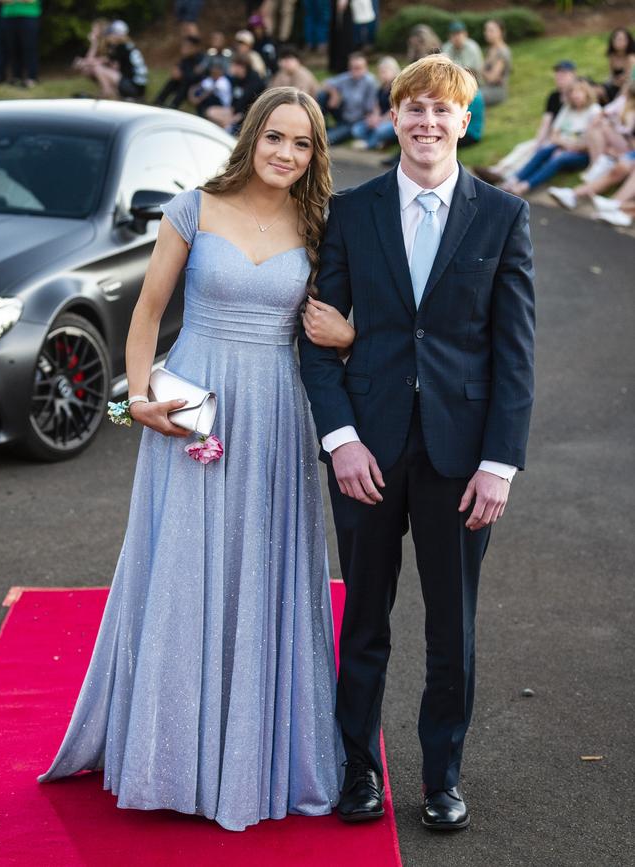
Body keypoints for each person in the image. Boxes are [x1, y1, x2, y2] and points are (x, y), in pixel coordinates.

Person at [37, 86, 355, 831]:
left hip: (275, 413)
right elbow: (146, 313)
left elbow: (341, 324)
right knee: (180, 568)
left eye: (302, 144)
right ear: (252, 137)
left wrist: (348, 336)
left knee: (260, 569)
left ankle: (251, 754)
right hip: (192, 412)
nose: (286, 153)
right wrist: (135, 400)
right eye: (275, 137)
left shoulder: (319, 225)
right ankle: (168, 756)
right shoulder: (193, 206)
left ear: (315, 155)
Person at [299, 54, 535, 830]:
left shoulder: (502, 216)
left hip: (461, 459)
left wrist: (499, 463)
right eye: (414, 109)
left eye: (443, 110)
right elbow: (315, 337)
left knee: (450, 627)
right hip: (365, 451)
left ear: (466, 121)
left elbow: (514, 352)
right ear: (392, 118)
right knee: (364, 616)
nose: (428, 123)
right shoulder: (351, 210)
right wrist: (340, 440)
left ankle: (441, 777)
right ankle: (359, 769)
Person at [474, 60, 577, 185]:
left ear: (573, 75)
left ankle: (506, 176)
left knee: (534, 153)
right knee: (524, 148)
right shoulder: (554, 97)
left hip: (566, 140)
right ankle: (497, 170)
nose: (560, 76)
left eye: (564, 73)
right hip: (551, 137)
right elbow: (546, 122)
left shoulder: (577, 97)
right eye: (558, 73)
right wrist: (539, 141)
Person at [504, 78, 600, 195]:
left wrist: (567, 148)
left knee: (558, 158)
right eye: (573, 92)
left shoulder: (594, 111)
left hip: (581, 153)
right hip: (561, 146)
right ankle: (515, 179)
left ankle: (526, 185)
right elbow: (554, 135)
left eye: (579, 92)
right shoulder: (567, 109)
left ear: (587, 93)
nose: (576, 95)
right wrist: (563, 146)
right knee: (543, 151)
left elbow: (590, 142)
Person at [317, 51, 377, 145]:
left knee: (326, 140)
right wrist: (334, 93)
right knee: (323, 95)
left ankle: (330, 133)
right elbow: (325, 83)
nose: (355, 71)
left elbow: (371, 107)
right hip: (343, 114)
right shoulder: (347, 77)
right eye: (353, 68)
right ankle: (320, 125)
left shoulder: (370, 82)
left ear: (366, 68)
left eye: (359, 68)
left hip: (355, 120)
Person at [204, 55, 266, 134]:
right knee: (210, 112)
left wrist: (232, 120)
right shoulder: (237, 79)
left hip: (249, 115)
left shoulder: (254, 81)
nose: (231, 68)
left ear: (241, 66)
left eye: (234, 65)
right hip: (235, 111)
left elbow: (249, 107)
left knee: (225, 124)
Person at [91, 20, 148, 101]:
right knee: (110, 71)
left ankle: (107, 93)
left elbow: (101, 62)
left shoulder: (121, 47)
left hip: (132, 88)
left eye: (111, 34)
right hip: (139, 88)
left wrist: (86, 62)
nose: (109, 37)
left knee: (98, 68)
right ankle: (115, 96)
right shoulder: (129, 45)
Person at [351, 55, 400, 150]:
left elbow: (395, 109)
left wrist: (380, 120)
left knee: (380, 130)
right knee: (356, 129)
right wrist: (374, 117)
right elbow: (376, 106)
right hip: (380, 119)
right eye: (380, 72)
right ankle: (381, 142)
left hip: (391, 119)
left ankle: (369, 144)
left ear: (393, 71)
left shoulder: (396, 88)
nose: (382, 74)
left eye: (385, 71)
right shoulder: (381, 88)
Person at [154, 34, 205, 109]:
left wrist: (182, 75)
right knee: (172, 81)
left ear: (195, 47)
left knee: (185, 83)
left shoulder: (201, 59)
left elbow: (195, 77)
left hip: (198, 88)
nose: (184, 48)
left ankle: (173, 106)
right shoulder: (186, 58)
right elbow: (178, 70)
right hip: (184, 83)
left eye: (187, 46)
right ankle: (158, 102)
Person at [0, 0, 41, 87]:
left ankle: (32, 77)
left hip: (29, 15)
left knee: (29, 47)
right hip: (8, 15)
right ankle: (16, 76)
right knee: (12, 48)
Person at [480, 18, 511, 107]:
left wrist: (482, 71)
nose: (487, 33)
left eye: (491, 30)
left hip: (497, 91)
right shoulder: (490, 50)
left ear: (500, 32)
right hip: (485, 87)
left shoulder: (503, 52)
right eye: (486, 30)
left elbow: (492, 78)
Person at [600, 27, 635, 104]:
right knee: (599, 90)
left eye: (622, 39)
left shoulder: (631, 58)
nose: (618, 42)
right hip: (614, 85)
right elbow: (611, 75)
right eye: (616, 39)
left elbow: (630, 79)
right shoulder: (612, 56)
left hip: (627, 88)